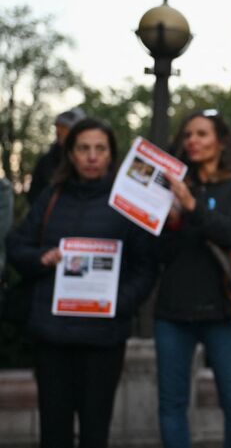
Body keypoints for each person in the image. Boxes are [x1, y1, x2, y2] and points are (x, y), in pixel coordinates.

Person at [6, 118, 156, 448]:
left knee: (94, 433)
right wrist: (41, 257)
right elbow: (16, 245)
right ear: (70, 154)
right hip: (52, 335)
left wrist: (120, 303)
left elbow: (146, 267)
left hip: (102, 339)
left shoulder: (129, 204)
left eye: (99, 149)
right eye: (83, 148)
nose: (91, 156)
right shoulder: (52, 197)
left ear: (110, 155)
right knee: (54, 432)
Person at [154, 110, 231, 448]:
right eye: (187, 135)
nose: (192, 141)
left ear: (221, 141)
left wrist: (192, 206)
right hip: (173, 311)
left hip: (224, 311)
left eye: (201, 134)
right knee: (171, 404)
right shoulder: (172, 186)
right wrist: (170, 222)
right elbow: (159, 253)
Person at [27, 107, 87, 205]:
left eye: (65, 127)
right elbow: (34, 196)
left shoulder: (93, 160)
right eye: (58, 127)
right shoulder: (46, 161)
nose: (59, 132)